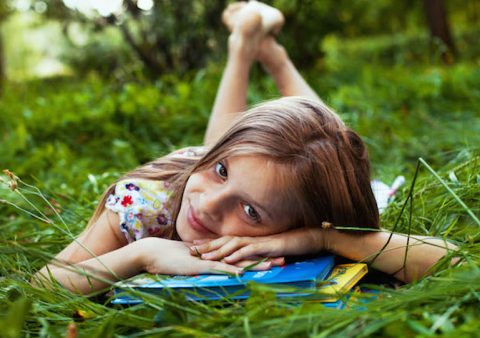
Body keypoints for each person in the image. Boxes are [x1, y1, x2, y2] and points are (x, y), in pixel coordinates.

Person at [33, 1, 456, 295]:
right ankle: (243, 47)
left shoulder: (312, 218)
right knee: (235, 146)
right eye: (221, 173)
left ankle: (268, 51)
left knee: (326, 149)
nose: (210, 206)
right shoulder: (149, 203)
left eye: (251, 212)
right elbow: (40, 287)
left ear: (287, 226)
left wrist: (319, 239)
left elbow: (459, 266)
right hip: (191, 166)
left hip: (257, 173)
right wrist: (139, 254)